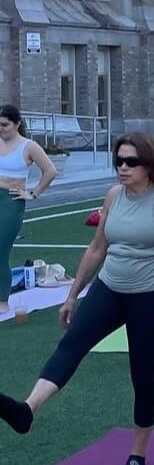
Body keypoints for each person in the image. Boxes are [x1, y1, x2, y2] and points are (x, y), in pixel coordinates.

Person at [0, 135, 154, 465]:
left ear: (149, 164)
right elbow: (97, 248)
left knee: (143, 375)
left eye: (131, 162)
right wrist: (72, 295)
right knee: (72, 344)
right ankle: (27, 410)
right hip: (111, 286)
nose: (123, 168)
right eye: (119, 162)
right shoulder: (114, 196)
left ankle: (138, 451)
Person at [0, 105, 58, 311]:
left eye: (4, 124)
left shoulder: (29, 146)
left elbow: (50, 171)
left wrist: (33, 193)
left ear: (17, 124)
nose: (0, 128)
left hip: (10, 203)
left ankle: (2, 303)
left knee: (0, 250)